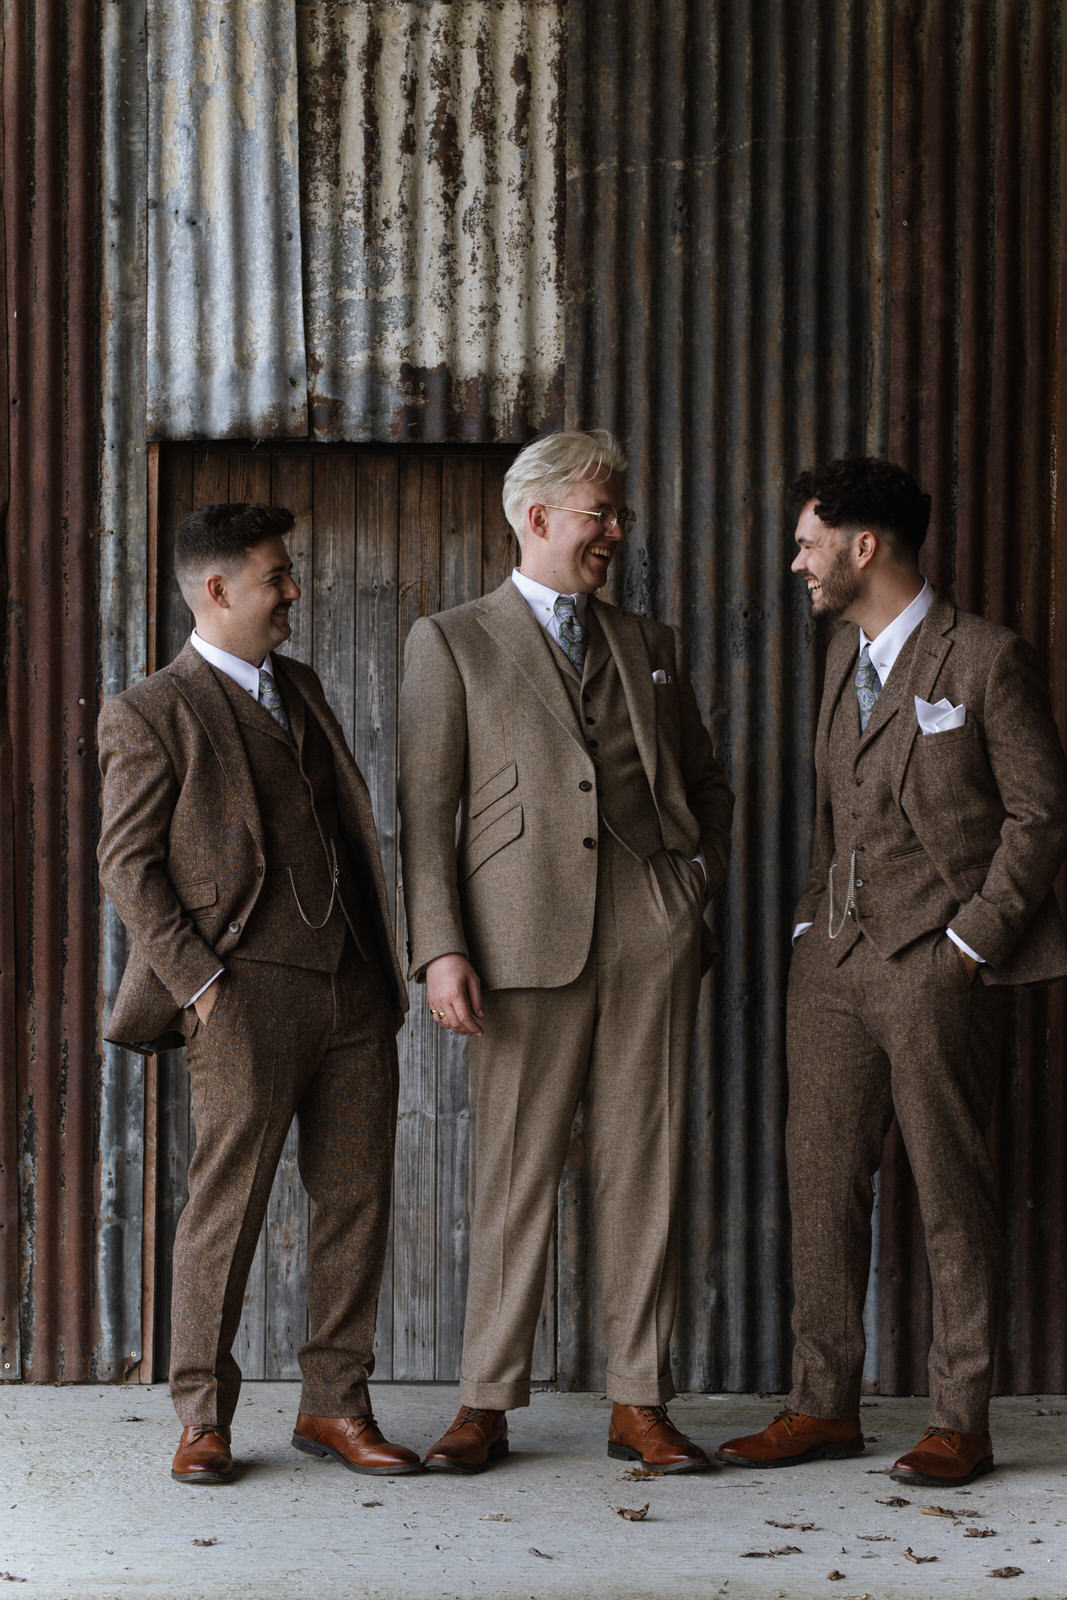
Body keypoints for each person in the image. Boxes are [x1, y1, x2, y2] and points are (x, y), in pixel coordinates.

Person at [717, 457, 1067, 1487]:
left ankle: (958, 1418)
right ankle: (820, 1404)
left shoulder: (985, 658)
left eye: (806, 542)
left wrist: (969, 943)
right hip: (831, 960)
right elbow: (834, 811)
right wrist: (800, 929)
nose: (795, 562)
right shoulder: (839, 653)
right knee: (818, 1181)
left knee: (952, 1192)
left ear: (860, 546)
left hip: (936, 962)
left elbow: (1037, 815)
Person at [397, 429, 733, 1473]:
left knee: (649, 1165)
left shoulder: (651, 638)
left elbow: (703, 784)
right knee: (511, 1171)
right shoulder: (449, 641)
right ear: (536, 517)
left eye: (618, 513)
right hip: (515, 940)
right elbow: (424, 816)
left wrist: (689, 885)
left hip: (649, 931)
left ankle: (639, 1399)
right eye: (600, 513)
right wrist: (440, 947)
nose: (616, 532)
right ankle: (485, 1401)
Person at [98, 503, 419, 1484]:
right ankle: (202, 1416)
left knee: (356, 1198)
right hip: (244, 993)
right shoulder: (152, 709)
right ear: (217, 589)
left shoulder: (304, 687)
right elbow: (129, 867)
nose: (292, 592)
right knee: (226, 1205)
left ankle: (334, 1403)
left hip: (351, 989)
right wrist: (201, 986)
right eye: (277, 576)